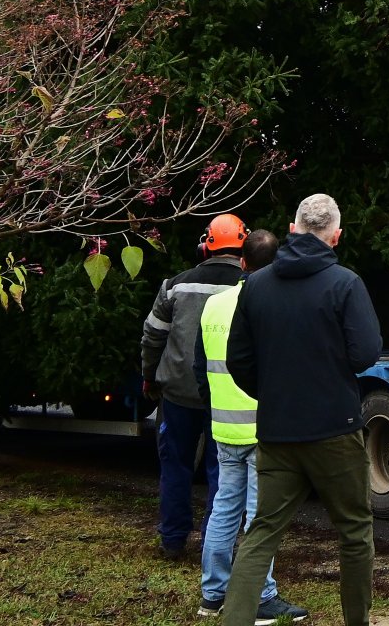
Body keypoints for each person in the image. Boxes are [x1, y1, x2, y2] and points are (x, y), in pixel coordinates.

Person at [219, 195, 382, 626]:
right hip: (336, 430)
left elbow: (238, 359)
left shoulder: (255, 285)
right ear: (336, 236)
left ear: (292, 230)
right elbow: (366, 352)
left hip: (277, 431)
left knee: (262, 533)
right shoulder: (346, 284)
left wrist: (272, 393)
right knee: (353, 533)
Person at [192, 228, 306, 624]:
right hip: (262, 427)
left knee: (223, 508)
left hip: (223, 424)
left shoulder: (214, 305)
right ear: (276, 266)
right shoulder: (272, 304)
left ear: (242, 262)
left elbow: (199, 367)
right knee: (262, 517)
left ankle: (213, 594)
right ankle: (262, 597)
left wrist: (213, 410)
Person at [141, 212, 248, 559]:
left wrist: (149, 376)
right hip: (226, 397)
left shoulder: (176, 285)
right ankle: (216, 545)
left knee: (176, 466)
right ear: (244, 247)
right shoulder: (251, 287)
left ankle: (173, 541)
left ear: (206, 246)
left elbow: (152, 336)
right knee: (224, 473)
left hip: (178, 394)